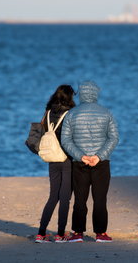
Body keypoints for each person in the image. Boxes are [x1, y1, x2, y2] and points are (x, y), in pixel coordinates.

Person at [61, 81, 119, 243]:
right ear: (95, 93)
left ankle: (78, 233)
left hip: (80, 163)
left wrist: (81, 156)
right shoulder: (106, 113)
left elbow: (66, 140)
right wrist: (99, 156)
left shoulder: (72, 114)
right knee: (100, 199)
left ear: (82, 94)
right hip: (101, 163)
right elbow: (113, 138)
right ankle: (101, 234)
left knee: (80, 199)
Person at [35, 85, 76, 243]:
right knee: (64, 198)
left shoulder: (48, 112)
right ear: (69, 96)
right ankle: (60, 234)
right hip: (66, 159)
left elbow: (43, 131)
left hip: (51, 158)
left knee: (53, 197)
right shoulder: (70, 114)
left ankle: (41, 233)